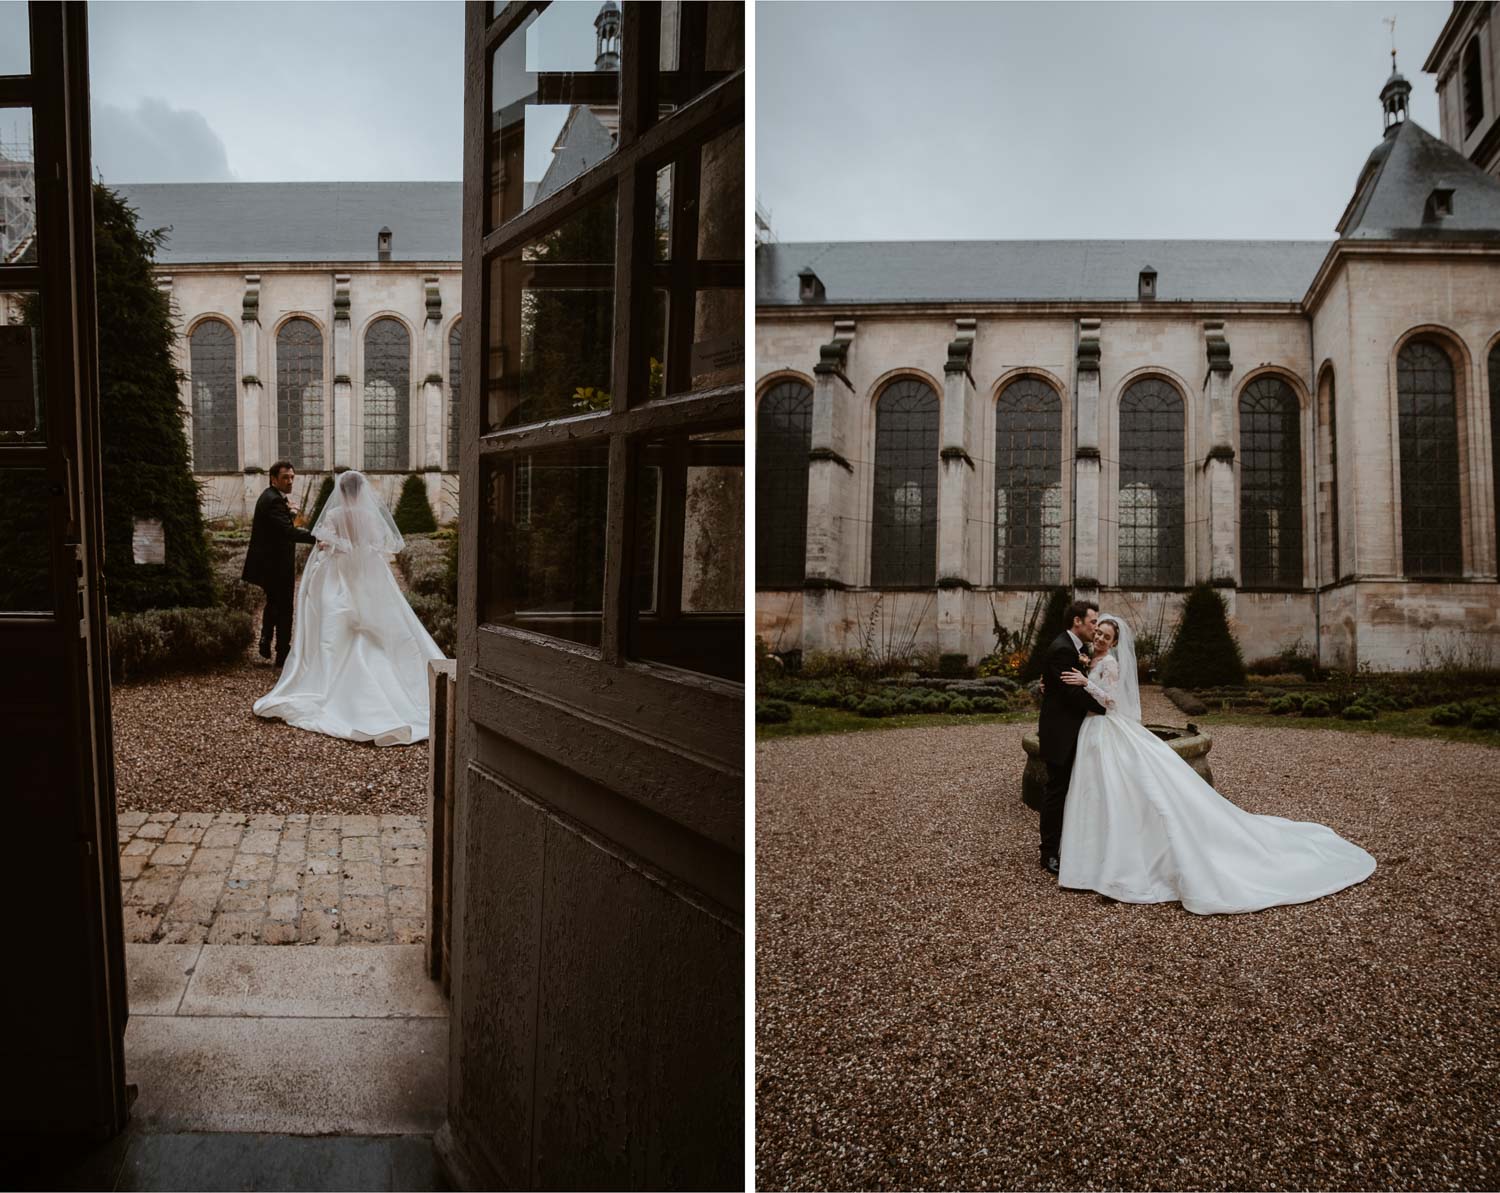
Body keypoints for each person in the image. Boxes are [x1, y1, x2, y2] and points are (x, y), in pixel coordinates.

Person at [1055, 614, 1376, 914]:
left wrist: (1087, 684)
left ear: (1114, 643)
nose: (1099, 638)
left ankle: (1115, 864)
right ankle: (1091, 860)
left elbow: (1112, 701)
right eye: (1098, 632)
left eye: (1106, 636)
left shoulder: (1109, 664)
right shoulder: (1088, 657)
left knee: (1117, 789)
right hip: (1092, 731)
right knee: (1095, 792)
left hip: (1105, 726)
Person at [253, 469, 447, 746]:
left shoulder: (333, 516)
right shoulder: (370, 516)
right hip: (369, 575)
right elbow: (379, 545)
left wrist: (330, 545)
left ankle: (334, 684)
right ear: (361, 491)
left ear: (341, 492)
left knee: (338, 624)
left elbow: (324, 545)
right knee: (385, 623)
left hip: (342, 576)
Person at [1035, 599, 1109, 875]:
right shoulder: (1063, 650)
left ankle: (1071, 844)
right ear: (1077, 621)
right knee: (1056, 791)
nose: (1096, 627)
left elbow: (1057, 684)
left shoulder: (1077, 648)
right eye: (1092, 622)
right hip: (1061, 732)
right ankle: (1049, 853)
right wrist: (1107, 707)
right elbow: (1072, 693)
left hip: (1073, 729)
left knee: (1069, 789)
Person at [242, 460, 317, 667]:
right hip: (276, 565)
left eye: (292, 477)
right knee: (285, 609)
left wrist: (290, 513)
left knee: (274, 604)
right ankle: (283, 653)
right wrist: (318, 536)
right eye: (285, 477)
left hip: (269, 563)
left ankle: (266, 640)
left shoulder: (272, 497)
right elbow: (287, 532)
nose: (290, 481)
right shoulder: (274, 500)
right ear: (273, 479)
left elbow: (277, 526)